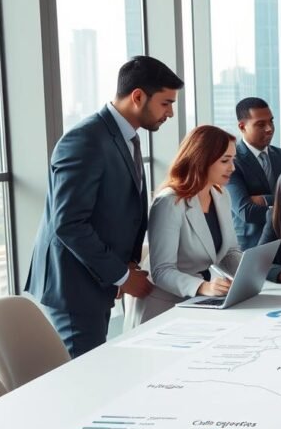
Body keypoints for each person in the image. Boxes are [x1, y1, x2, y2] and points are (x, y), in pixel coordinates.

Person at [25, 56, 182, 357]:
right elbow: (69, 223)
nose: (170, 113)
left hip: (96, 281)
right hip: (74, 288)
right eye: (165, 103)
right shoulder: (85, 140)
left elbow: (118, 210)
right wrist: (121, 276)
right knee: (84, 380)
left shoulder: (125, 138)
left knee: (94, 369)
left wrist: (126, 266)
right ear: (138, 96)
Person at [130, 126, 243, 324]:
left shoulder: (221, 195)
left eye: (233, 159)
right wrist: (202, 287)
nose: (232, 167)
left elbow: (228, 252)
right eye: (225, 160)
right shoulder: (169, 202)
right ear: (202, 159)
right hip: (162, 307)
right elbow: (162, 270)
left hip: (196, 303)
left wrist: (250, 275)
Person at [226, 97, 281, 249]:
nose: (269, 128)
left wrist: (264, 199)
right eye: (261, 124)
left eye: (271, 121)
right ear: (242, 126)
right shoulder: (230, 161)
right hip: (251, 246)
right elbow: (246, 211)